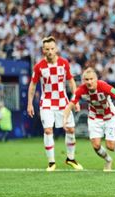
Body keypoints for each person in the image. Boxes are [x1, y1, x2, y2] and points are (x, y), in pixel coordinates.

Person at [63, 68, 115, 171]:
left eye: (91, 79)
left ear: (96, 79)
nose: (89, 82)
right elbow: (69, 106)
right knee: (96, 145)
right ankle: (108, 160)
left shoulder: (104, 86)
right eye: (86, 79)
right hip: (94, 118)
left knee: (110, 146)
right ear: (83, 80)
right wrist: (64, 120)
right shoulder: (81, 90)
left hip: (110, 117)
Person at [26, 36, 83, 172]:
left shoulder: (64, 63)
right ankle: (51, 162)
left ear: (56, 49)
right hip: (46, 102)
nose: (50, 51)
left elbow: (71, 82)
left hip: (63, 102)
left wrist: (76, 100)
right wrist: (29, 103)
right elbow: (33, 85)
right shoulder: (39, 66)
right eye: (47, 49)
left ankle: (70, 158)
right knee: (48, 130)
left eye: (52, 48)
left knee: (70, 130)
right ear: (43, 50)